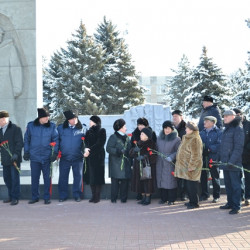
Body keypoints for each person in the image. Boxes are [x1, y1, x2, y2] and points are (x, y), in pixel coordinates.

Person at [23, 108, 58, 205]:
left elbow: (56, 140)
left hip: (47, 157)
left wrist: (54, 153)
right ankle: (35, 197)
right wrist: (26, 152)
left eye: (48, 116)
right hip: (34, 157)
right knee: (34, 178)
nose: (47, 118)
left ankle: (47, 197)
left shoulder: (51, 126)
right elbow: (27, 139)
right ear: (40, 117)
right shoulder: (31, 126)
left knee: (47, 178)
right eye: (45, 117)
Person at [218, 110, 244, 214]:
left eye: (227, 116)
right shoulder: (226, 129)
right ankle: (230, 203)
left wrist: (232, 161)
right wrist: (220, 158)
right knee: (228, 185)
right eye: (224, 116)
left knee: (235, 185)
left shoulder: (238, 129)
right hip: (225, 162)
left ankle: (237, 206)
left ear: (233, 117)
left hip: (234, 163)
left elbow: (238, 148)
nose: (225, 118)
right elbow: (223, 146)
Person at [57, 110, 85, 202]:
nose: (74, 120)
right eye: (72, 119)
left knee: (78, 177)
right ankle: (62, 195)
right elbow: (56, 141)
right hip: (65, 157)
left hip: (78, 157)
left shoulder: (83, 128)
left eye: (75, 118)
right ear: (68, 120)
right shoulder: (61, 128)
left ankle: (77, 195)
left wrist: (85, 150)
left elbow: (87, 142)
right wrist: (56, 153)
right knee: (63, 177)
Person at [175, 121, 203, 209]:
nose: (185, 129)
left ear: (191, 129)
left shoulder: (195, 139)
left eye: (187, 128)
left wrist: (192, 166)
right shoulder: (187, 138)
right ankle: (191, 201)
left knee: (192, 186)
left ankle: (195, 203)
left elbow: (196, 154)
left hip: (191, 167)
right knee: (188, 185)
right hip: (186, 166)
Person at [0, 110, 23, 205]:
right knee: (7, 178)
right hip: (5, 159)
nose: (0, 122)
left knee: (15, 179)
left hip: (14, 159)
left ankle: (15, 197)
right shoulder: (0, 131)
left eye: (1, 119)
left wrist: (16, 154)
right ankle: (10, 195)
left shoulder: (15, 128)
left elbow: (19, 142)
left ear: (6, 119)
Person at [106, 119, 132, 203]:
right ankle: (113, 198)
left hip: (125, 163)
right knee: (115, 182)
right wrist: (118, 151)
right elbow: (108, 148)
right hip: (116, 163)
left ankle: (123, 198)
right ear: (120, 127)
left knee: (125, 182)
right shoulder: (113, 137)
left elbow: (129, 148)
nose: (126, 128)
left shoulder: (127, 137)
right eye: (124, 126)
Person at [131, 117, 156, 201]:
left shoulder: (151, 138)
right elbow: (131, 150)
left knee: (147, 181)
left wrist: (144, 157)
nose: (140, 126)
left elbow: (153, 152)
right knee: (140, 181)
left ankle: (148, 197)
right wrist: (135, 150)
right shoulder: (136, 136)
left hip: (147, 164)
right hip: (138, 164)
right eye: (138, 125)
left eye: (141, 125)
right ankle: (142, 196)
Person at [156, 121, 181, 205]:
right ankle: (163, 198)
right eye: (165, 128)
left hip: (170, 162)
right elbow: (156, 149)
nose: (166, 130)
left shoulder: (176, 139)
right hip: (160, 162)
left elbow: (178, 151)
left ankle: (171, 199)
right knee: (161, 179)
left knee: (170, 181)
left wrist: (172, 157)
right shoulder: (159, 138)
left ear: (172, 129)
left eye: (168, 128)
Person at [83, 115, 106, 203]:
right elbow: (85, 142)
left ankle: (97, 196)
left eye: (91, 121)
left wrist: (90, 150)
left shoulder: (102, 131)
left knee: (98, 177)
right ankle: (93, 196)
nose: (89, 123)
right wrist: (86, 149)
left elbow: (100, 143)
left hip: (98, 157)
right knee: (91, 177)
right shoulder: (88, 132)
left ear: (96, 122)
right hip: (90, 158)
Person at [200, 116, 222, 203]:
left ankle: (216, 196)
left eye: (207, 121)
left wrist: (209, 149)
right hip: (203, 157)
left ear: (213, 123)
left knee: (215, 177)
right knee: (203, 176)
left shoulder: (219, 132)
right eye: (204, 121)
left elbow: (220, 144)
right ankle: (204, 194)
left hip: (214, 158)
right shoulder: (201, 132)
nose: (204, 122)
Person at [233, 108, 250, 206]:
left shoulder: (248, 124)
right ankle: (241, 195)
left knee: (248, 177)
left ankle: (248, 196)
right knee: (238, 177)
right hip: (237, 157)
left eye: (238, 115)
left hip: (247, 156)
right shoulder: (234, 126)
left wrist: (244, 148)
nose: (238, 117)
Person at [172, 110, 187, 200]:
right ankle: (177, 193)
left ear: (181, 117)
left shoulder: (186, 128)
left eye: (176, 116)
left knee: (183, 175)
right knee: (175, 175)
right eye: (173, 116)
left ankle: (183, 194)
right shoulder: (171, 128)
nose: (174, 118)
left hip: (183, 155)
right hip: (173, 155)